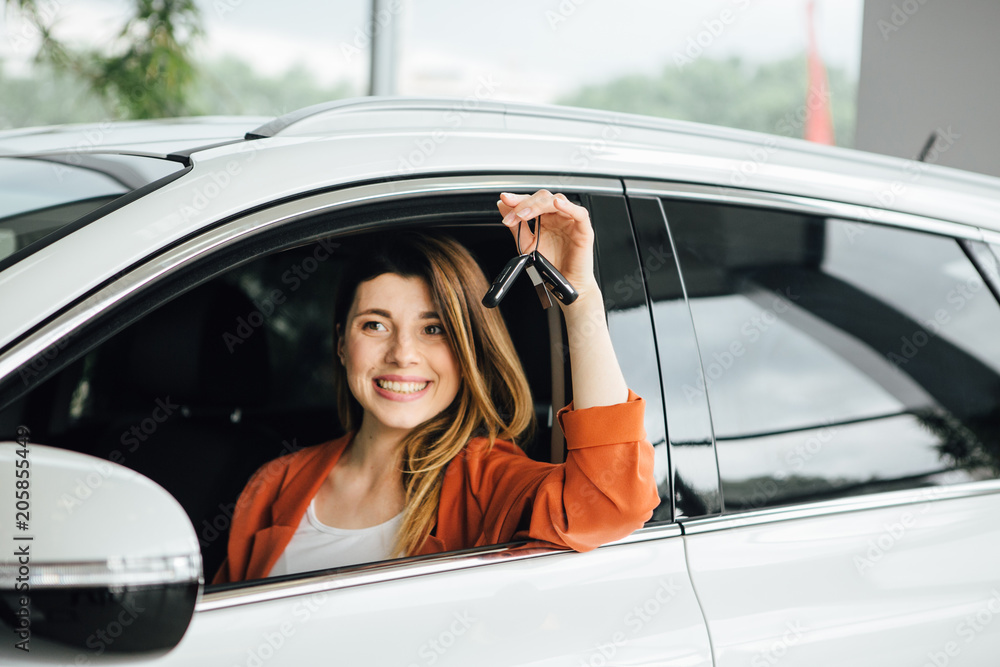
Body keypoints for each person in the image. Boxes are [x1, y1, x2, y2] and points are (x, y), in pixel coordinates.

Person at [212, 190, 659, 583]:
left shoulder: (485, 482)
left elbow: (612, 500)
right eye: (374, 325)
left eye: (434, 329)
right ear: (342, 345)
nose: (402, 354)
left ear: (467, 353)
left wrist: (580, 300)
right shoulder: (275, 484)